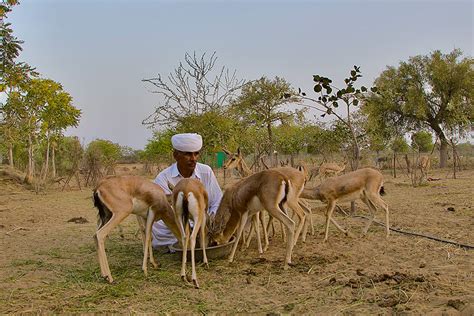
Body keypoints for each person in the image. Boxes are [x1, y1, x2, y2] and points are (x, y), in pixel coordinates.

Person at [151, 133, 223, 249]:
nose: (193, 159)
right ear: (176, 155)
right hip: (176, 228)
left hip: (204, 224)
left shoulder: (206, 171)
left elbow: (217, 200)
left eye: (196, 154)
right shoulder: (163, 178)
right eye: (188, 154)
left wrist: (209, 221)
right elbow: (164, 212)